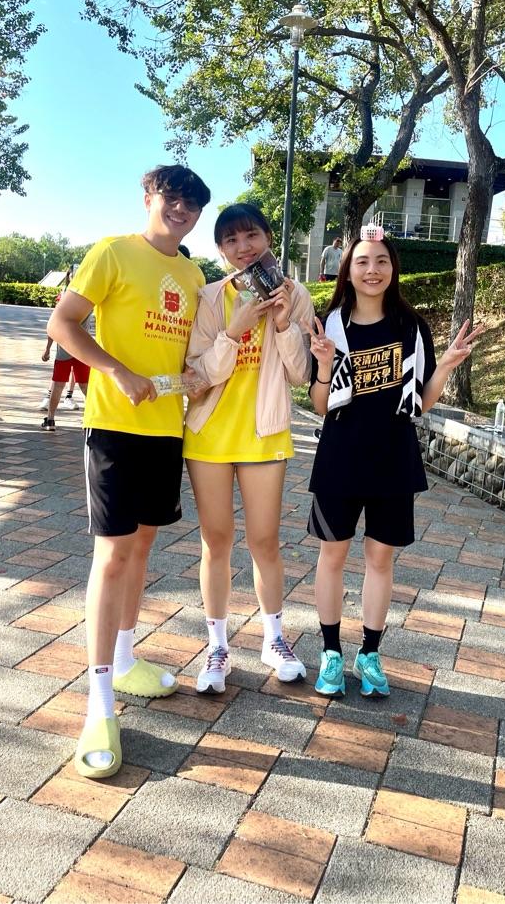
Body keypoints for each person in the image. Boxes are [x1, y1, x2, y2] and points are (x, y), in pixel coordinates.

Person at [47, 164, 211, 779]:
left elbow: (192, 351)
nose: (181, 210)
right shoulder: (112, 252)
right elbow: (62, 323)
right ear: (149, 198)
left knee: (141, 547)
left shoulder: (193, 275)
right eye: (172, 198)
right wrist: (115, 370)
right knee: (113, 554)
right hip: (115, 426)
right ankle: (98, 703)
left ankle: (123, 659)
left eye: (192, 204)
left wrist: (195, 376)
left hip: (166, 428)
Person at [306, 228, 482, 699]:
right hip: (340, 456)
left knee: (380, 559)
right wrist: (323, 366)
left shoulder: (411, 327)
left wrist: (446, 365)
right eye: (362, 261)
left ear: (393, 268)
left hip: (393, 458)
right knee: (332, 555)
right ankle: (330, 651)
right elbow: (320, 405)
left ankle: (369, 652)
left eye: (381, 261)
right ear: (347, 270)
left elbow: (421, 402)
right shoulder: (330, 326)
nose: (372, 270)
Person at [183, 203, 313, 693]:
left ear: (268, 238)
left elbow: (301, 374)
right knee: (216, 541)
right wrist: (234, 330)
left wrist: (282, 323)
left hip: (265, 434)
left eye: (251, 235)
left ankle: (274, 639)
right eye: (232, 240)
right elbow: (197, 375)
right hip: (209, 436)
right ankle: (217, 645)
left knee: (264, 541)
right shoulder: (210, 297)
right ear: (220, 249)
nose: (244, 248)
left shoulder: (295, 294)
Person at [40, 318, 91, 430]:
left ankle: (50, 420)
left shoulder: (63, 306)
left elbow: (53, 325)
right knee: (85, 386)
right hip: (83, 350)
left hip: (64, 349)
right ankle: (93, 418)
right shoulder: (88, 307)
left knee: (58, 385)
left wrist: (47, 348)